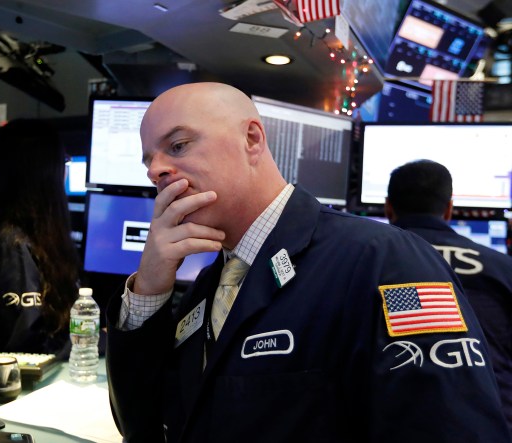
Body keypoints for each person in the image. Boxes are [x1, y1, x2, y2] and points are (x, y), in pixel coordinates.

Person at [105, 82, 510, 442]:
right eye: (149, 161)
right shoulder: (205, 289)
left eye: (178, 145)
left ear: (252, 139)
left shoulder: (384, 260)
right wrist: (149, 288)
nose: (156, 169)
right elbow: (143, 425)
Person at [386, 159, 512, 434]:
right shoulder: (503, 269)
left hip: (396, 424)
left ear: (388, 207)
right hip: (494, 423)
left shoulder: (369, 263)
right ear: (449, 209)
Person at [0, 119, 81, 359]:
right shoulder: (13, 246)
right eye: (63, 162)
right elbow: (28, 351)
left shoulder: (12, 238)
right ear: (43, 173)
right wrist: (93, 342)